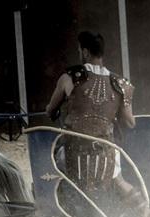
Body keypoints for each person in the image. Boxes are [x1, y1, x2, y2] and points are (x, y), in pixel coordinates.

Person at [45, 31, 136, 198]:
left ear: (85, 52)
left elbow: (50, 110)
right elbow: (130, 123)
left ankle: (64, 213)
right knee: (120, 181)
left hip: (73, 153)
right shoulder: (121, 84)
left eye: (80, 50)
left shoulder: (68, 78)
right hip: (105, 154)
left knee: (55, 171)